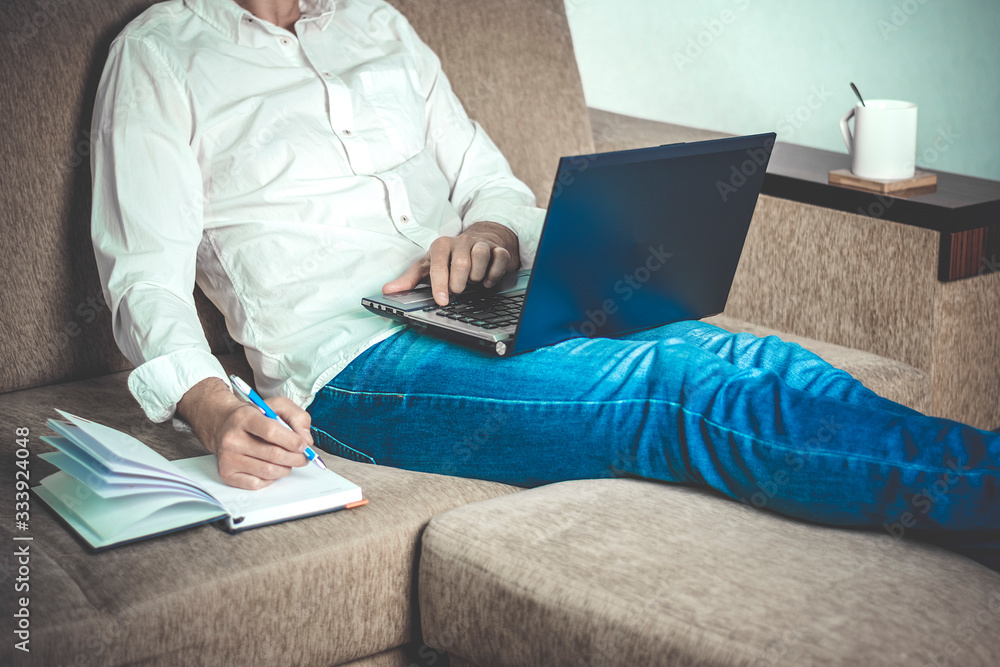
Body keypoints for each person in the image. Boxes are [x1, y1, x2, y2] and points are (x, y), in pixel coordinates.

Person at [91, 0, 1000, 568]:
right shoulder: (163, 53)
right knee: (675, 391)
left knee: (745, 352)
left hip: (485, 310)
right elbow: (144, 273)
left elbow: (495, 187)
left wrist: (488, 234)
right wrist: (209, 405)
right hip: (353, 367)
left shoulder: (381, 28)